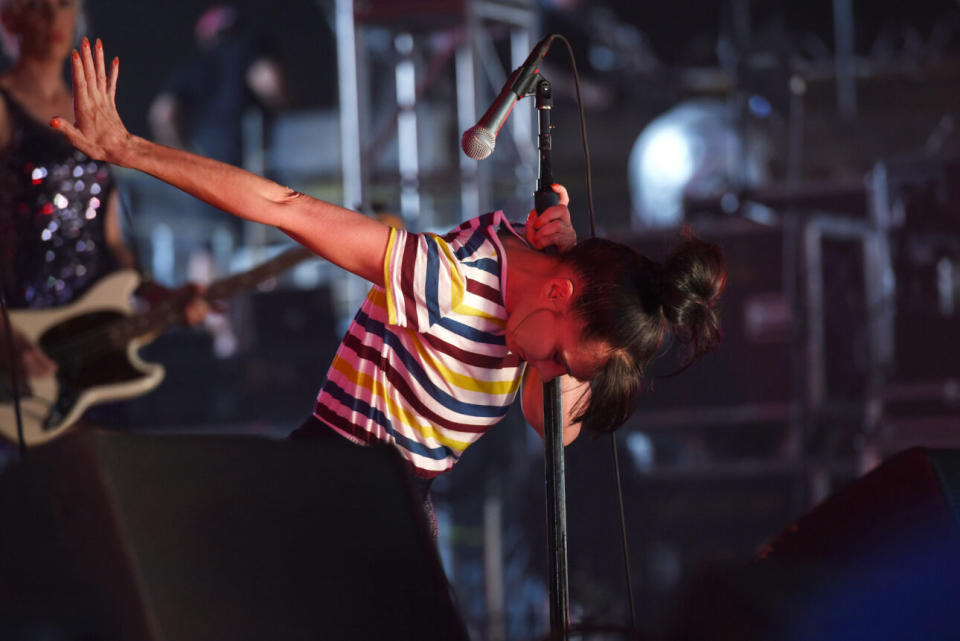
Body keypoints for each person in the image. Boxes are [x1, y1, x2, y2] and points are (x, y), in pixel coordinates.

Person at [54, 38, 725, 531]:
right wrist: (130, 150)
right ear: (560, 295)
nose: (548, 372)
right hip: (335, 490)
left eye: (564, 367)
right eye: (559, 357)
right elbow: (285, 206)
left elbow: (549, 423)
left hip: (390, 507)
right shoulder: (449, 282)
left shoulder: (546, 312)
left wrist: (574, 259)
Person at [0, 2, 205, 392]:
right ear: (9, 17)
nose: (53, 18)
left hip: (96, 338)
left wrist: (158, 295)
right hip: (27, 336)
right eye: (36, 6)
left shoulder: (93, 111)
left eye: (62, 5)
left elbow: (109, 240)